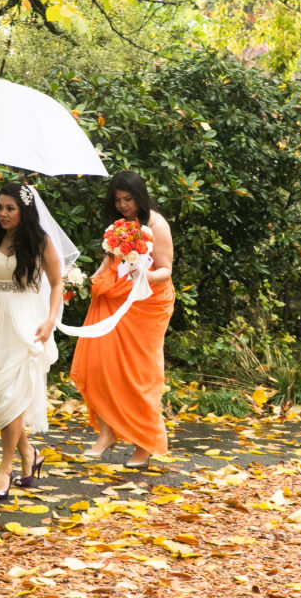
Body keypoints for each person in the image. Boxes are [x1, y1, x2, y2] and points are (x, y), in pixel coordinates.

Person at [69, 170, 175, 468]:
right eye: (117, 200)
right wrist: (93, 276)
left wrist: (145, 275)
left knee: (140, 375)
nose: (123, 205)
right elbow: (111, 258)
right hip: (114, 297)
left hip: (148, 305)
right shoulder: (119, 224)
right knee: (98, 365)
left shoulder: (157, 224)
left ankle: (145, 443)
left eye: (128, 199)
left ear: (140, 196)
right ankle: (106, 434)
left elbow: (166, 269)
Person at [0, 183, 63, 500]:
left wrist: (50, 320)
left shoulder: (39, 242)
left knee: (13, 395)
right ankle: (29, 455)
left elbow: (56, 282)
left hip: (25, 322)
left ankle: (5, 468)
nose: (4, 214)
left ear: (24, 211)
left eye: (10, 208)